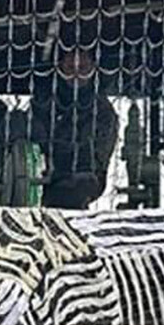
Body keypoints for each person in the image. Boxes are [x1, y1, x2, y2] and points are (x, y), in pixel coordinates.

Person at [30, 51, 119, 210]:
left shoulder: (102, 110)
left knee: (76, 188)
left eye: (83, 68)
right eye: (70, 68)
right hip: (41, 174)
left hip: (82, 178)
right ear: (60, 68)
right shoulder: (44, 102)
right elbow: (34, 138)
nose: (76, 74)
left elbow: (94, 156)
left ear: (93, 68)